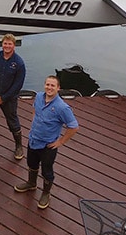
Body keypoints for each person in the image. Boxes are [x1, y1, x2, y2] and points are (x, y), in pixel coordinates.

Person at [14, 75, 79, 210]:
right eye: (47, 84)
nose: (49, 88)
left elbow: (74, 126)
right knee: (31, 164)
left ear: (58, 88)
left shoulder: (62, 108)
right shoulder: (38, 97)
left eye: (52, 85)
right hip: (33, 140)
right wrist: (34, 126)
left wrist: (60, 142)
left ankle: (46, 193)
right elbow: (35, 111)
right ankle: (31, 183)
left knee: (47, 171)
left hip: (48, 146)